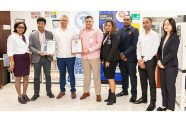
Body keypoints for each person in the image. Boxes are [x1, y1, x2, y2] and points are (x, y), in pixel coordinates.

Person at [134, 17, 160, 111]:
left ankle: (153, 102)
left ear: (151, 23)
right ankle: (144, 98)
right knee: (142, 81)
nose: (145, 24)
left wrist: (143, 60)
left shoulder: (155, 35)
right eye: (143, 22)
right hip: (141, 60)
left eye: (147, 22)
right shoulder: (141, 35)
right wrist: (139, 59)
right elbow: (138, 48)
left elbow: (154, 50)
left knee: (152, 82)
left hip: (150, 60)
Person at [29, 17, 55, 101]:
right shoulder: (32, 34)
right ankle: (36, 93)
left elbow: (51, 45)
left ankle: (49, 91)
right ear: (37, 24)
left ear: (45, 25)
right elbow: (30, 46)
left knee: (48, 76)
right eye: (39, 23)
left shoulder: (50, 34)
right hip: (37, 58)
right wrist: (38, 52)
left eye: (42, 24)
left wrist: (50, 52)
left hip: (47, 58)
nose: (40, 25)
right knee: (36, 76)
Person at [157, 18, 180, 111]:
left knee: (170, 87)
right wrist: (159, 61)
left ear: (172, 25)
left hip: (171, 66)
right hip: (162, 66)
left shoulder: (175, 37)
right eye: (164, 24)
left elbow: (173, 52)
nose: (165, 26)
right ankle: (165, 105)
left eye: (168, 24)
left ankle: (170, 108)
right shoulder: (163, 37)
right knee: (163, 87)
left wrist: (162, 62)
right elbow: (159, 51)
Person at [53, 15, 78, 99]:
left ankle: (73, 90)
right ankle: (62, 91)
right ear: (60, 21)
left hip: (70, 56)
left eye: (65, 20)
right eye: (61, 20)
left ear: (68, 21)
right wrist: (53, 55)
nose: (63, 21)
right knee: (62, 74)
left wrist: (76, 50)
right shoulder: (55, 31)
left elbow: (76, 42)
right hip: (60, 57)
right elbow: (54, 44)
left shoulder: (72, 31)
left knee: (71, 74)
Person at [79, 16, 103, 102]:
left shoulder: (97, 31)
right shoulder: (82, 31)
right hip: (84, 57)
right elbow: (79, 42)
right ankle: (86, 92)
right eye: (86, 21)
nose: (88, 23)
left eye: (90, 21)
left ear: (93, 21)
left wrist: (88, 50)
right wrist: (78, 49)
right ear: (85, 22)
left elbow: (99, 44)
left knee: (96, 76)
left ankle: (98, 94)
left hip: (94, 56)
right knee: (86, 75)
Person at [116, 15, 139, 103]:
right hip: (121, 58)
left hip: (131, 59)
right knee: (124, 76)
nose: (126, 21)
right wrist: (120, 54)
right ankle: (124, 91)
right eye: (124, 20)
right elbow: (117, 44)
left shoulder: (134, 30)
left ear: (131, 21)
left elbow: (134, 45)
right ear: (123, 21)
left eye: (127, 20)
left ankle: (134, 95)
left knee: (133, 77)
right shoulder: (119, 31)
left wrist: (124, 54)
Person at [7, 21, 30, 104]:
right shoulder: (12, 37)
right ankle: (19, 96)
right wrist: (12, 62)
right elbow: (9, 51)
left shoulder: (25, 36)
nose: (21, 29)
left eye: (23, 27)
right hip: (18, 58)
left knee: (26, 77)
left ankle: (24, 94)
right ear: (16, 28)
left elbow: (26, 48)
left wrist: (29, 58)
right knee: (18, 78)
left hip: (26, 57)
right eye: (19, 27)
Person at [100, 20, 120, 105]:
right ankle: (110, 97)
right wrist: (102, 59)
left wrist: (108, 60)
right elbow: (103, 48)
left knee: (111, 78)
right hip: (105, 60)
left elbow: (113, 49)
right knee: (108, 78)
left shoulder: (115, 35)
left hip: (111, 60)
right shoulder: (105, 35)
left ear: (113, 26)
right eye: (106, 25)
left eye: (109, 25)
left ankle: (113, 98)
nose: (107, 27)